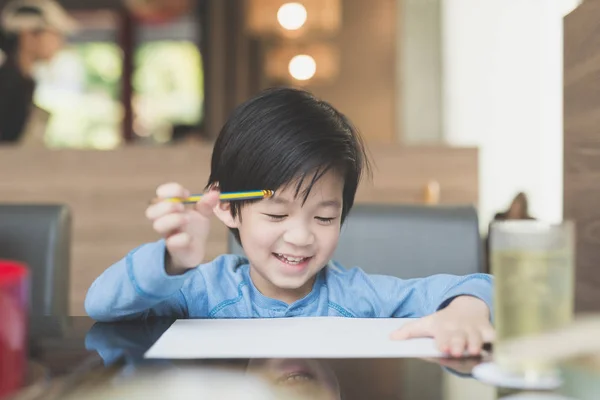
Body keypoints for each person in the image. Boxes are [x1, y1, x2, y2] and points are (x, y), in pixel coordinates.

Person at [85, 87, 495, 357]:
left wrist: (468, 310)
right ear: (227, 206)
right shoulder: (202, 289)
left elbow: (477, 285)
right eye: (277, 213)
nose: (300, 236)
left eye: (324, 216)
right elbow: (102, 305)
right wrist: (172, 261)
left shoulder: (358, 296)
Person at [0, 0, 76, 143]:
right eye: (54, 33)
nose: (59, 43)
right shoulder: (8, 85)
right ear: (27, 35)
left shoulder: (23, 81)